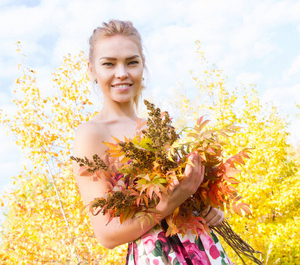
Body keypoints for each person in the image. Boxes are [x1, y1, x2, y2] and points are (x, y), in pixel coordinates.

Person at [72, 20, 232, 265]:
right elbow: (107, 235)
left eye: (132, 62)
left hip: (204, 250)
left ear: (142, 66)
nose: (122, 72)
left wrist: (210, 210)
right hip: (157, 256)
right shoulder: (91, 135)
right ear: (92, 69)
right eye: (109, 64)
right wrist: (170, 202)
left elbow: (187, 194)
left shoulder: (158, 127)